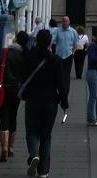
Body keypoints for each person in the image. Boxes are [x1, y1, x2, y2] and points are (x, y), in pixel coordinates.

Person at [21, 29, 67, 178]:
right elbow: (61, 84)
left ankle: (34, 154)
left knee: (31, 131)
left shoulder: (29, 58)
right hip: (50, 102)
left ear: (36, 42)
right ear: (50, 43)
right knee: (46, 135)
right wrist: (64, 102)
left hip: (33, 100)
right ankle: (43, 171)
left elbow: (23, 78)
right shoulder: (56, 61)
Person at [0, 30, 29, 161]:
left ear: (16, 40)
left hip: (3, 89)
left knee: (4, 116)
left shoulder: (5, 53)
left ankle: (4, 148)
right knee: (13, 115)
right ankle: (11, 147)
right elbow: (25, 74)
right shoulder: (24, 56)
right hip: (16, 90)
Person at [50, 15, 78, 106]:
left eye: (66, 21)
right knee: (58, 76)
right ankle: (59, 94)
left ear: (69, 22)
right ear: (61, 22)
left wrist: (73, 53)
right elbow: (52, 41)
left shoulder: (73, 31)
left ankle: (65, 96)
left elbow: (75, 44)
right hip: (59, 56)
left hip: (68, 56)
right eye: (63, 21)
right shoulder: (57, 31)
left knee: (66, 77)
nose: (65, 23)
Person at [85, 27, 97, 125]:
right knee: (93, 95)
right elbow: (92, 59)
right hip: (92, 72)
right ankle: (90, 118)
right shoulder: (93, 46)